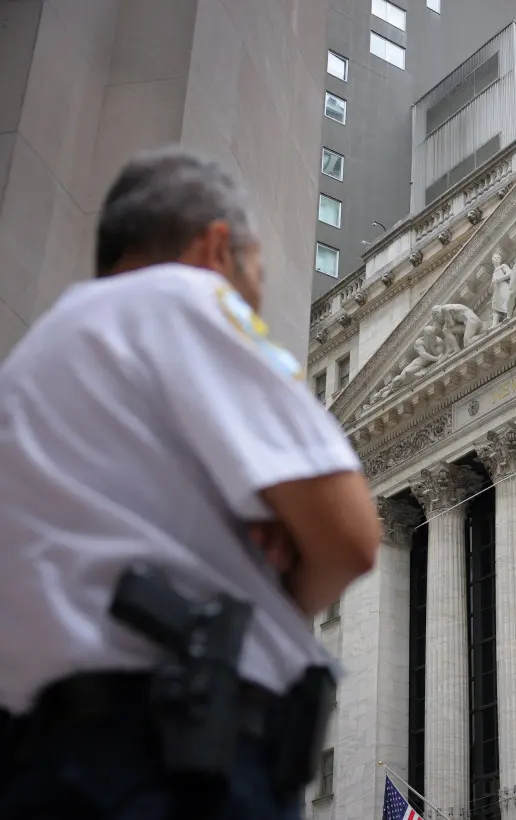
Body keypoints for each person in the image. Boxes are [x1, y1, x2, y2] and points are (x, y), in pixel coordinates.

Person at [0, 148, 383, 819]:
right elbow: (351, 536)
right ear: (215, 248)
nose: (251, 304)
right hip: (173, 760)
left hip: (33, 764)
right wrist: (283, 572)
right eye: (254, 282)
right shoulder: (186, 296)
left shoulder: (28, 371)